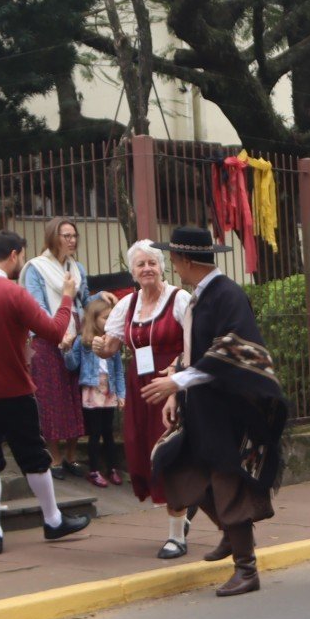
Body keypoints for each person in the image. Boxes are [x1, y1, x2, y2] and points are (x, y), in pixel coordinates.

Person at [142, 226, 288, 596]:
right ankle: (229, 533)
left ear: (188, 261)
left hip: (229, 411)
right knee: (179, 468)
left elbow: (233, 350)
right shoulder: (200, 295)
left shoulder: (227, 295)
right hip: (202, 407)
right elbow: (198, 348)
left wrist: (177, 383)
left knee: (228, 482)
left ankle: (246, 568)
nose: (172, 266)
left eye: (174, 260)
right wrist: (176, 380)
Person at [0, 230, 91, 556]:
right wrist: (67, 296)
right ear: (14, 255)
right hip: (13, 387)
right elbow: (54, 332)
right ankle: (52, 519)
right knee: (34, 457)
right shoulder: (12, 293)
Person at [94, 239, 194, 558]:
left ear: (161, 267)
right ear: (132, 271)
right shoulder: (127, 304)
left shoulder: (180, 299)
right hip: (140, 389)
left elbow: (196, 345)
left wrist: (177, 375)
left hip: (171, 386)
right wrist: (99, 346)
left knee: (170, 455)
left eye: (152, 262)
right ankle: (186, 510)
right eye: (141, 264)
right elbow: (112, 345)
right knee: (143, 452)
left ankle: (176, 537)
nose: (147, 268)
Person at [23, 218, 89, 476]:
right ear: (53, 237)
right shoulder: (35, 269)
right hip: (48, 340)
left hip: (75, 338)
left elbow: (83, 299)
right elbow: (36, 307)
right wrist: (56, 334)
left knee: (75, 397)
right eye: (66, 235)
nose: (72, 240)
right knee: (52, 400)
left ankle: (72, 455)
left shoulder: (77, 267)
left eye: (74, 235)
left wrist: (100, 298)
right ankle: (55, 456)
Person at [68, 293, 127, 488]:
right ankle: (94, 470)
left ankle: (111, 468)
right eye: (105, 318)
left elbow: (118, 371)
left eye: (111, 318)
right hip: (92, 390)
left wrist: (121, 394)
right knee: (94, 432)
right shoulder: (83, 342)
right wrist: (66, 349)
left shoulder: (113, 343)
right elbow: (71, 365)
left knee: (108, 431)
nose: (109, 322)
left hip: (108, 391)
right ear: (94, 320)